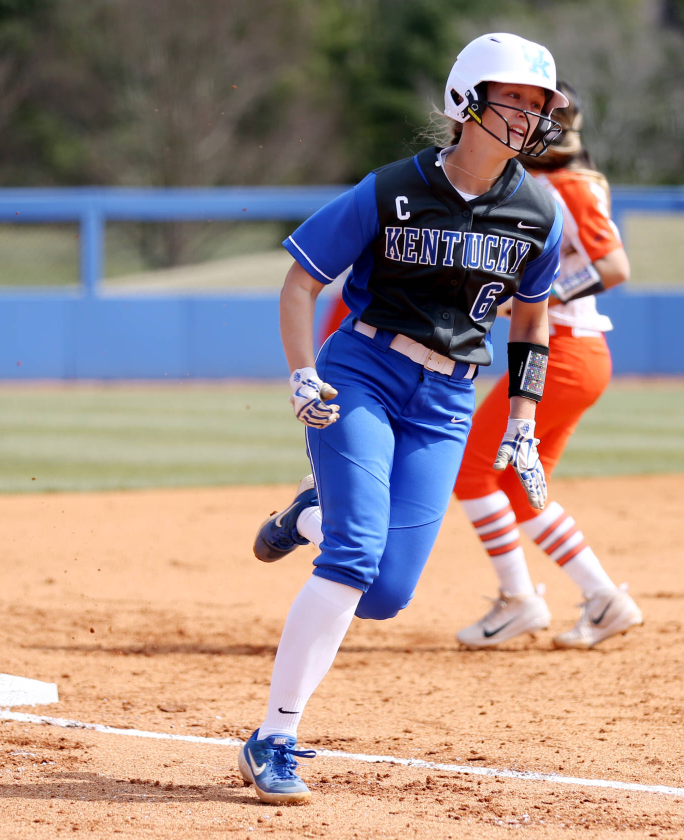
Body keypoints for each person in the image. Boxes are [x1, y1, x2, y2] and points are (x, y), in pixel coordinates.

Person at [239, 33, 569, 805]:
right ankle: (273, 735)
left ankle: (309, 515)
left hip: (449, 401)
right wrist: (301, 373)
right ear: (466, 101)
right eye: (511, 98)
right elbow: (300, 284)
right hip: (363, 372)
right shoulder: (391, 189)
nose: (525, 117)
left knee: (385, 593)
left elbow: (531, 323)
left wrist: (522, 418)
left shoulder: (540, 213)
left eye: (537, 104)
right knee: (355, 558)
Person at [452, 79, 642, 651]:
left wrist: (541, 300)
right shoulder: (541, 182)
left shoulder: (566, 184)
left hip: (561, 350)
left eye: (538, 111)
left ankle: (518, 600)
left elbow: (614, 267)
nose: (530, 120)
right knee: (518, 487)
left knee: (472, 471)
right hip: (577, 353)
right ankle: (605, 600)